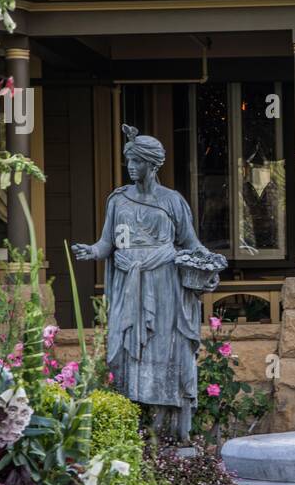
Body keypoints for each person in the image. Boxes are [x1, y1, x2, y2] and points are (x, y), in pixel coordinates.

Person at [71, 125, 222, 441]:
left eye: (137, 161)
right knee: (130, 353)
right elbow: (107, 243)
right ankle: (134, 423)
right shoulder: (118, 200)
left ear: (153, 165)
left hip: (164, 282)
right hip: (130, 282)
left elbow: (191, 242)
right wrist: (92, 251)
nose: (130, 167)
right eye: (128, 161)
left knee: (164, 350)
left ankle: (165, 425)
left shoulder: (172, 201)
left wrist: (208, 260)